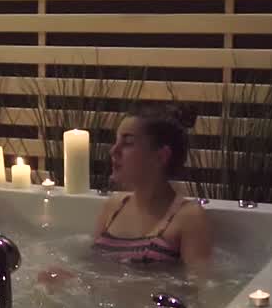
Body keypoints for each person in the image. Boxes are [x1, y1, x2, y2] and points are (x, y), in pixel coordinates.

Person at [91, 103, 213, 270]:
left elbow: (200, 288)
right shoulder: (114, 206)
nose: (114, 150)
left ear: (161, 156)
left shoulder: (188, 217)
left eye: (128, 142)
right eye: (116, 140)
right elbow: (90, 269)